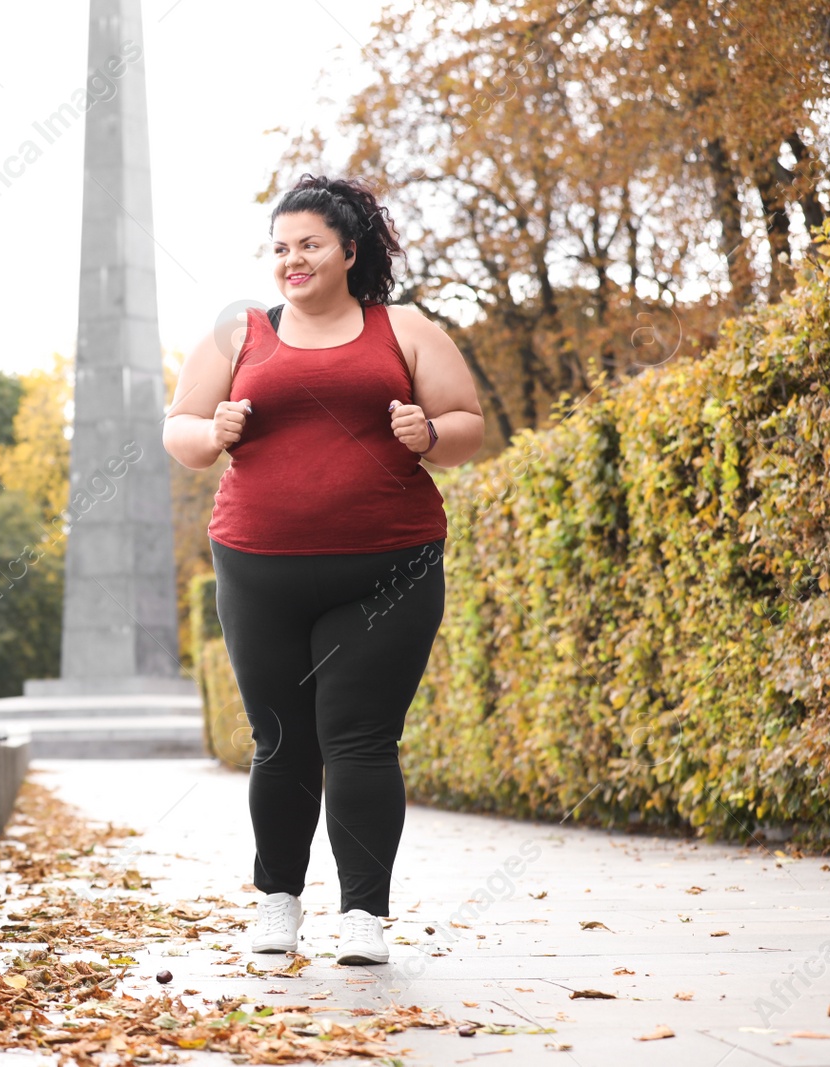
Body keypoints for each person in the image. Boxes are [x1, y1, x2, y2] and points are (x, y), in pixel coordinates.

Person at [162, 174, 484, 965]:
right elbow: (180, 426)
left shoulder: (404, 328)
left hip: (388, 569)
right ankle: (278, 903)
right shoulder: (240, 332)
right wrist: (217, 430)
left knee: (362, 740)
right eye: (280, 248)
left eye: (308, 245)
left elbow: (469, 424)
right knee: (280, 743)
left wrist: (427, 431)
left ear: (349, 250)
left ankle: (364, 915)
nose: (292, 260)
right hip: (258, 567)